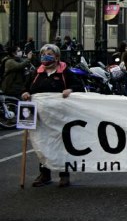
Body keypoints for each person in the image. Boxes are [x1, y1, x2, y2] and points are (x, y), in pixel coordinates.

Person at [21, 44, 82, 187]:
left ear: (57, 57)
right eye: (43, 54)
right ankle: (44, 174)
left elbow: (79, 86)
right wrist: (25, 93)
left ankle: (64, 174)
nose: (45, 56)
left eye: (49, 54)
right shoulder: (36, 73)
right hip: (41, 118)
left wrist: (70, 90)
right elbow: (25, 87)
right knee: (42, 144)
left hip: (61, 117)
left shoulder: (65, 72)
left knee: (62, 144)